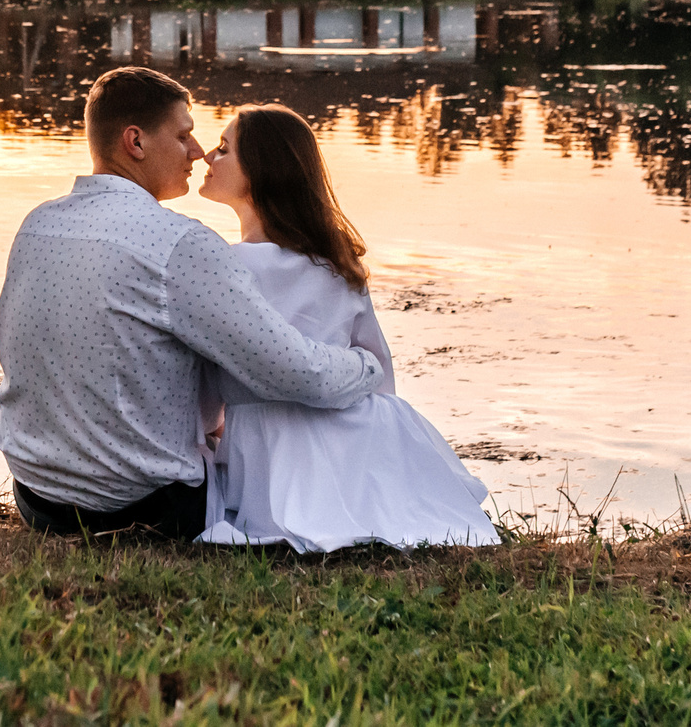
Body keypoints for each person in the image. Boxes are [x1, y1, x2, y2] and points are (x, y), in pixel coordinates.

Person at [0, 66, 385, 539]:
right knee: (284, 475)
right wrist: (366, 365)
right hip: (141, 509)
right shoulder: (178, 244)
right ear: (135, 143)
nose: (198, 153)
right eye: (184, 136)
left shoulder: (36, 225)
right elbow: (300, 373)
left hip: (37, 500)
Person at [194, 103, 498, 550]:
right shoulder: (337, 264)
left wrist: (212, 430)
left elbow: (206, 381)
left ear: (261, 171)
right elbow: (378, 367)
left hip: (267, 447)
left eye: (223, 148)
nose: (206, 156)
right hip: (355, 430)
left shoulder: (225, 267)